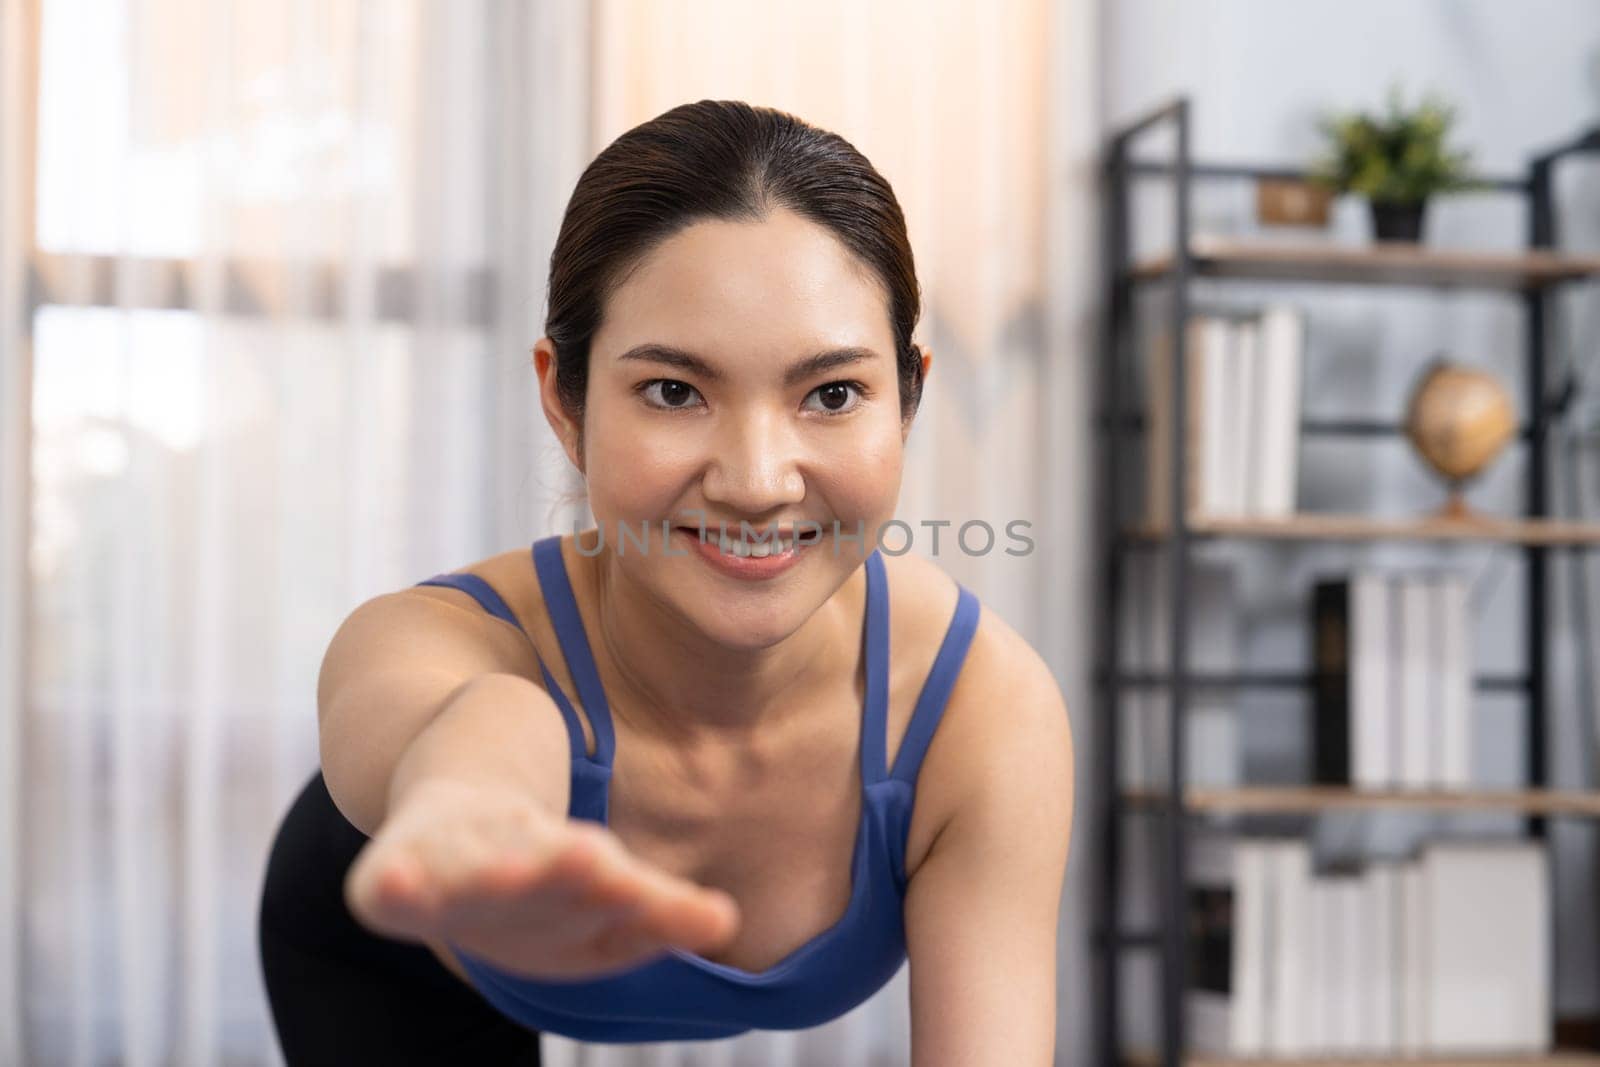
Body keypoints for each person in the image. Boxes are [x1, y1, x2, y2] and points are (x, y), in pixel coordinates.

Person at [257, 98, 1074, 1064]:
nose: (758, 482)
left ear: (908, 400)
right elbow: (489, 723)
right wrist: (473, 816)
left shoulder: (980, 718)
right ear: (564, 400)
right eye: (675, 391)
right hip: (392, 961)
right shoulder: (435, 640)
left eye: (833, 393)